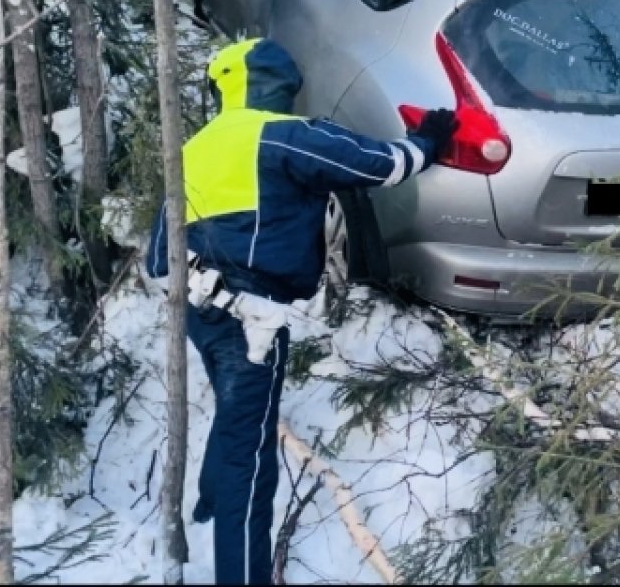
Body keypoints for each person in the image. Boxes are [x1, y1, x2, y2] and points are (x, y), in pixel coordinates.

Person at [145, 38, 458, 585]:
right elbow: (382, 164)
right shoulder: (285, 134)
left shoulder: (193, 146)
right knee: (252, 463)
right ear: (283, 86)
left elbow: (156, 258)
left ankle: (207, 507)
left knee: (234, 415)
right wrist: (429, 139)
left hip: (199, 311)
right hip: (253, 325)